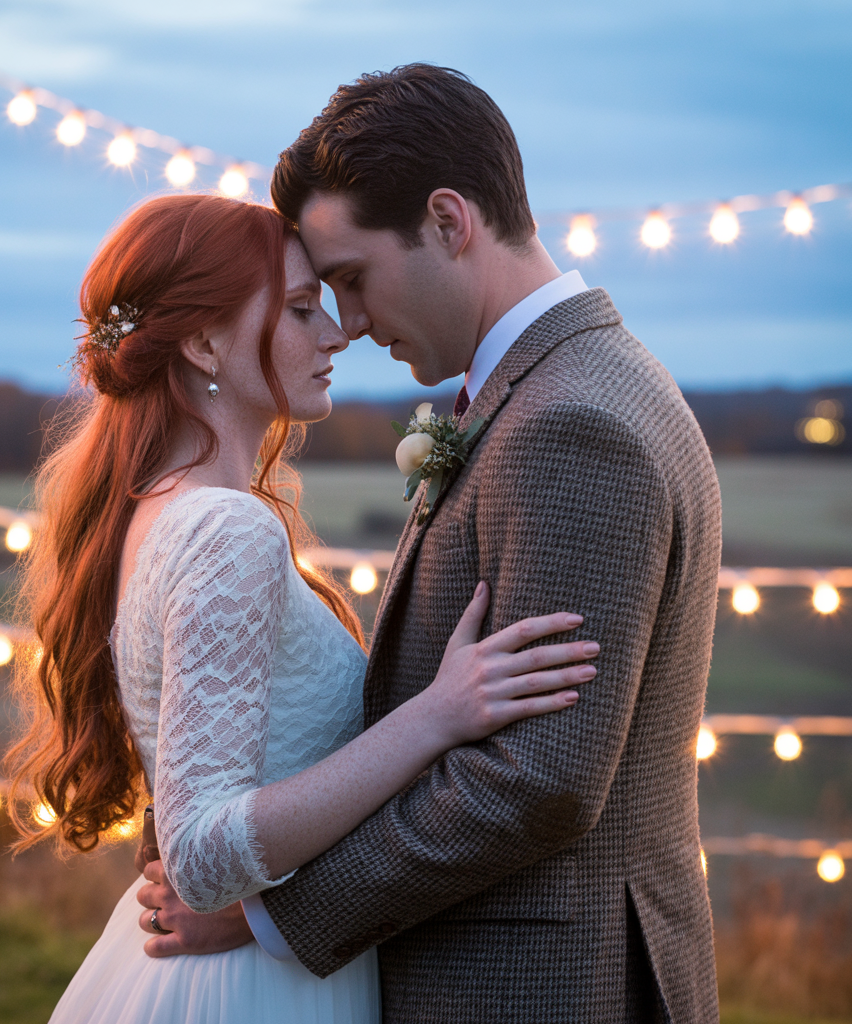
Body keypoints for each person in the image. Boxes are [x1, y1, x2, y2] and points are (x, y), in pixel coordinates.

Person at [137, 65, 723, 1023]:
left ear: (449, 222)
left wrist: (271, 913)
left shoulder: (570, 426)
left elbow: (535, 780)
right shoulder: (554, 388)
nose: (352, 323)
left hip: (539, 989)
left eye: (352, 279)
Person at [5, 193, 596, 1024]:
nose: (336, 333)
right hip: (254, 991)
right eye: (298, 308)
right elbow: (202, 855)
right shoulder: (225, 530)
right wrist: (434, 716)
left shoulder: (159, 508)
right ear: (204, 343)